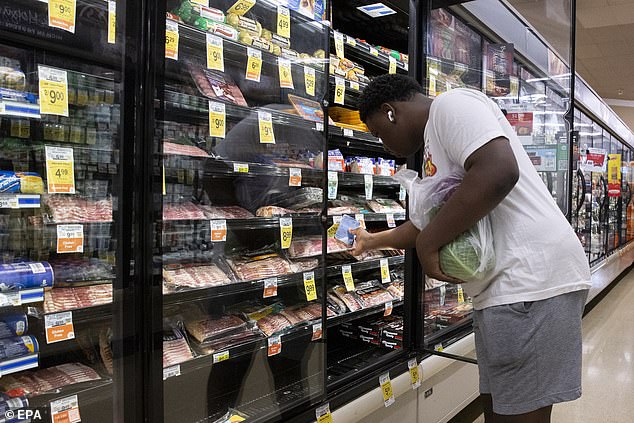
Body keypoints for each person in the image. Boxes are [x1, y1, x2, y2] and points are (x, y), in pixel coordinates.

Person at [353, 74, 591, 423]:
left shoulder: (452, 105)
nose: (382, 144)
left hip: (530, 283)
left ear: (391, 112)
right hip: (507, 290)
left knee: (520, 415)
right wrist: (373, 240)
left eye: (378, 133)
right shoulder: (435, 145)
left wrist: (428, 243)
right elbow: (431, 222)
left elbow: (499, 171)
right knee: (499, 410)